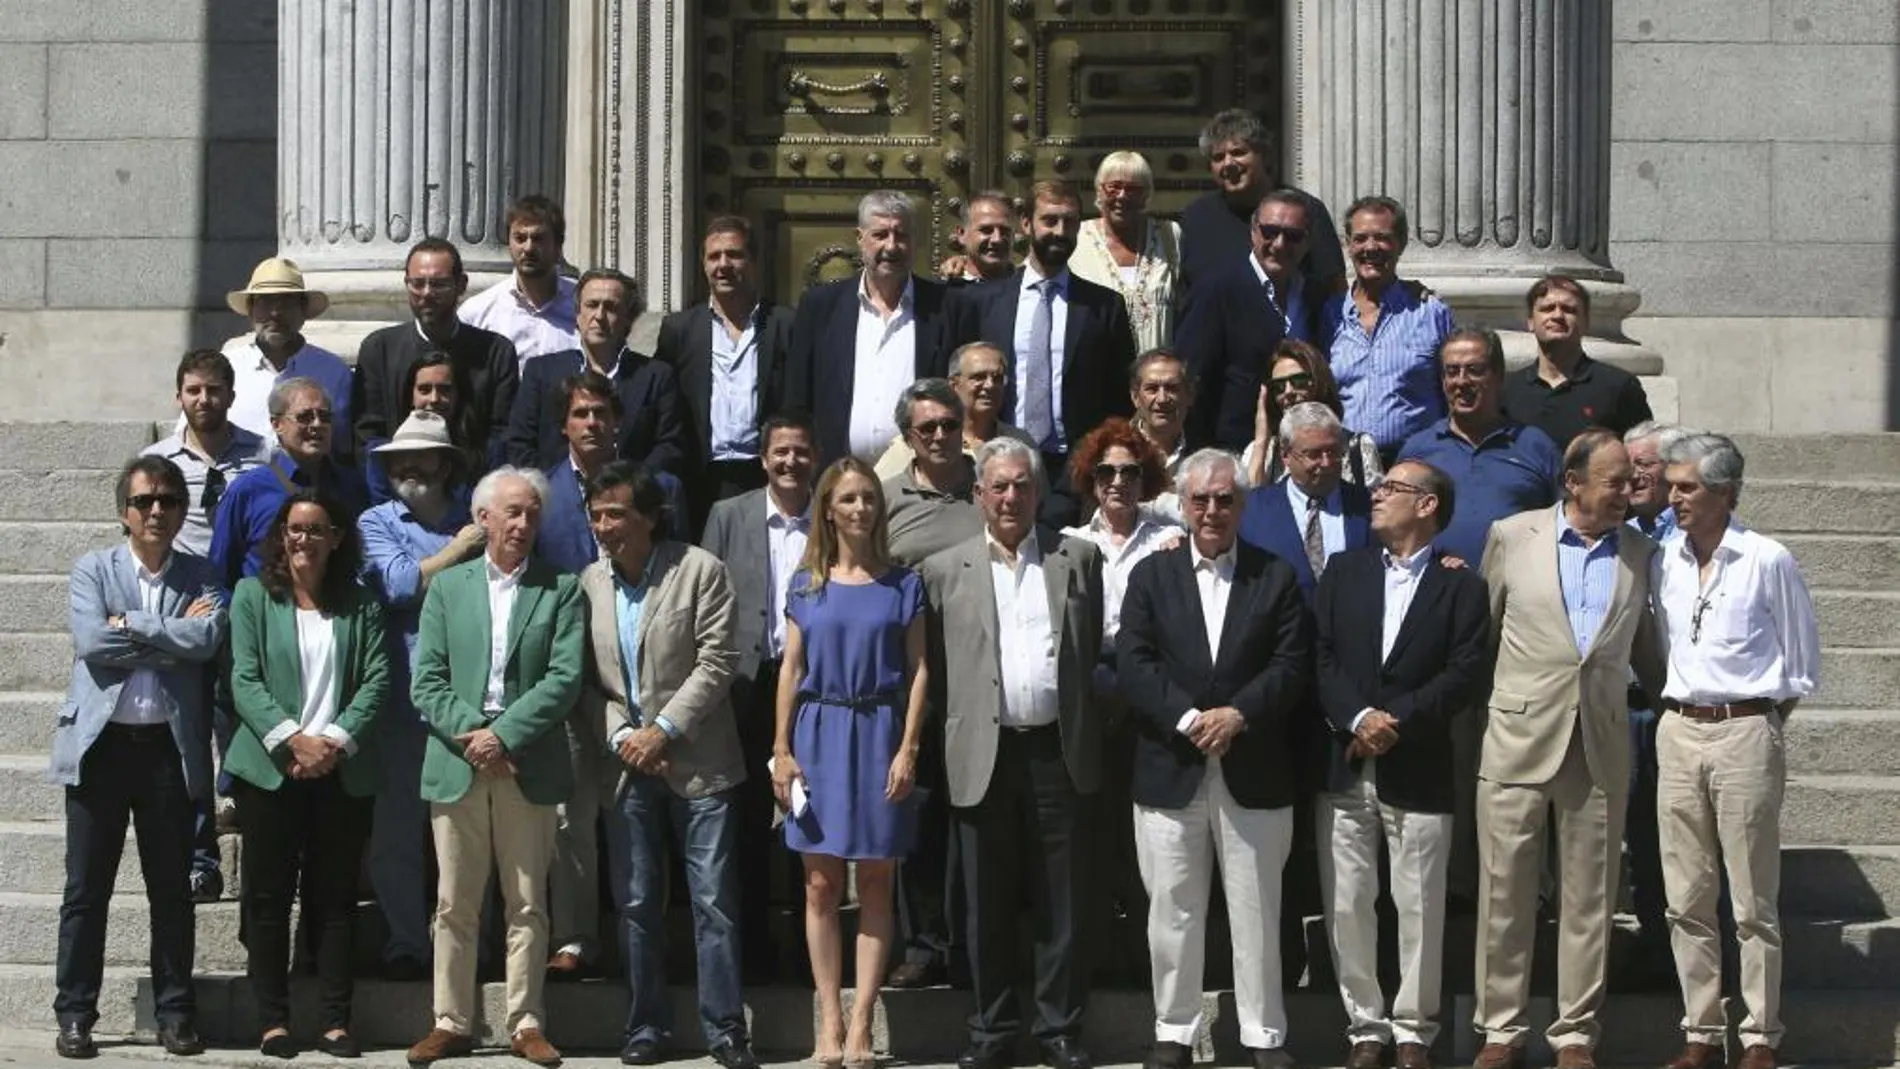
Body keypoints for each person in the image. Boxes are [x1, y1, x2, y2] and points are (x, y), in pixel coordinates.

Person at [1472, 430, 1666, 1069]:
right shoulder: (1512, 536)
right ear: (1574, 482)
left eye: (1631, 481)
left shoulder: (1642, 552)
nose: (1627, 491)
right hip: (1519, 738)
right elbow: (1486, 633)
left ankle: (1575, 1032)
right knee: (1506, 892)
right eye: (1615, 481)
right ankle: (1501, 1029)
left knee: (1591, 897)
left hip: (1599, 741)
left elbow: (1652, 657)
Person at [1116, 448, 1311, 1069]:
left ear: (1243, 505)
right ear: (1182, 503)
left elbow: (1291, 665)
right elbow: (1134, 664)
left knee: (1257, 911)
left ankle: (1262, 1036)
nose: (1212, 510)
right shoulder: (1151, 575)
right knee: (1171, 910)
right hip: (1170, 767)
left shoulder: (1274, 576)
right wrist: (1188, 719)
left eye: (1225, 499)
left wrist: (1238, 715)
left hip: (1253, 767)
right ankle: (1173, 1032)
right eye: (1200, 499)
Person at [920, 437, 1104, 1069]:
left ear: (1038, 492)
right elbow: (937, 672)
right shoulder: (944, 570)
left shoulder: (1077, 558)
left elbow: (1089, 657)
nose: (1009, 497)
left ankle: (1059, 1030)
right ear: (978, 495)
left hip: (1058, 750)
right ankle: (991, 1032)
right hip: (983, 753)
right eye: (997, 486)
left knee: (1063, 902)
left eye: (1021, 485)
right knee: (986, 904)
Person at [580, 461, 759, 1069]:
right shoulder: (588, 584)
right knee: (635, 904)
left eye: (617, 515)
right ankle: (646, 1028)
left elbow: (718, 662)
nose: (605, 527)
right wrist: (627, 736)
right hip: (627, 765)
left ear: (650, 517)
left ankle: (725, 1030)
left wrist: (663, 730)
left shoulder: (699, 570)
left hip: (700, 764)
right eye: (597, 515)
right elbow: (589, 684)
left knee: (713, 903)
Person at [1313, 460, 1491, 1069]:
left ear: (1427, 506)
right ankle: (1366, 1025)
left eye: (1392, 488)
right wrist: (1359, 717)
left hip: (1418, 766)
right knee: (1348, 901)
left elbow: (1464, 674)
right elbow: (1323, 655)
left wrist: (1399, 721)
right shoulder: (1344, 571)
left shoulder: (1462, 585)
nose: (1377, 494)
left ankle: (1415, 1029)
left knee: (1418, 903)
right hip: (1346, 763)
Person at [405, 466, 583, 1068]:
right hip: (459, 760)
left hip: (525, 760)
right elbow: (425, 680)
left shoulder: (562, 589)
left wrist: (503, 736)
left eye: (532, 513)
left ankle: (525, 1022)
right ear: (483, 519)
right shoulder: (448, 588)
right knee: (454, 901)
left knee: (527, 901)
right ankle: (451, 1021)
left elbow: (564, 679)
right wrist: (473, 739)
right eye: (512, 512)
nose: (524, 523)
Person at [1651, 434, 1820, 1069]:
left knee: (1752, 897)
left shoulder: (1767, 559)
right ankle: (1699, 1031)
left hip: (1746, 727)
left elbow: (1800, 664)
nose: (1674, 498)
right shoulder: (1663, 557)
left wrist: (1758, 721)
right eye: (1671, 485)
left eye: (1687, 487)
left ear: (1723, 492)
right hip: (1678, 727)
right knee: (1685, 894)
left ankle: (1759, 1035)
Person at [48, 456, 223, 1061]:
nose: (157, 511)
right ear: (124, 510)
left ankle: (176, 1014)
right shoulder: (92, 569)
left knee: (171, 892)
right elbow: (93, 641)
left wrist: (135, 625)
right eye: (145, 501)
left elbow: (208, 641)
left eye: (170, 501)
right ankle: (74, 1014)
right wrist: (168, 632)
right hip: (102, 750)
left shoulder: (203, 575)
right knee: (85, 891)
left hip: (168, 754)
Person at [772, 457, 929, 1069]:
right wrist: (782, 750)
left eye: (868, 498)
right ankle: (828, 1021)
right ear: (828, 511)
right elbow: (791, 669)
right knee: (819, 884)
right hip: (819, 732)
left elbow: (919, 671)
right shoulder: (805, 585)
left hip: (881, 731)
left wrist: (909, 747)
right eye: (848, 500)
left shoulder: (903, 585)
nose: (861, 508)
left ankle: (863, 1019)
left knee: (875, 881)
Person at [225, 492, 389, 1059]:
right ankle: (273, 1022)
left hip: (340, 771)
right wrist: (294, 738)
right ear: (280, 537)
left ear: (336, 539)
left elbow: (377, 680)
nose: (303, 539)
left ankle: (335, 1022)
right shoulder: (252, 597)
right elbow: (244, 680)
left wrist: (333, 743)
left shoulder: (361, 603)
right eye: (294, 529)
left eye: (317, 529)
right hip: (271, 770)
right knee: (267, 900)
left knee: (335, 900)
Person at [357, 411, 484, 980]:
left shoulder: (475, 517)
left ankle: (466, 950)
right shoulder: (377, 521)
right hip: (403, 700)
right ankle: (409, 943)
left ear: (447, 463)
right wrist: (460, 550)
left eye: (422, 456)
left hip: (473, 700)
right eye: (397, 459)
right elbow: (400, 585)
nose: (408, 466)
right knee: (398, 833)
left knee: (467, 835)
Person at [1060, 418, 1182, 985]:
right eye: (1106, 471)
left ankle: (1143, 956)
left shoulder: (1167, 538)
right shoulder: (1070, 544)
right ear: (1090, 478)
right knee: (1095, 826)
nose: (1117, 482)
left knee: (1147, 830)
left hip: (1150, 687)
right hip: (1089, 686)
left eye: (1130, 472)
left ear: (1146, 478)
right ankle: (1100, 952)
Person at [700, 412, 819, 983]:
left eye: (800, 451)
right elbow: (704, 592)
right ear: (763, 458)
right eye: (780, 452)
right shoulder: (729, 515)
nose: (790, 461)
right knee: (745, 817)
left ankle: (805, 944)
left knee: (807, 814)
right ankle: (750, 948)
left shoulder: (831, 515)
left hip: (812, 685)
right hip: (744, 683)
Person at [945, 180, 1137, 526]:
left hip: (1072, 472)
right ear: (1026, 224)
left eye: (1070, 222)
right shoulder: (981, 303)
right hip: (994, 463)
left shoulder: (1104, 307)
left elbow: (1119, 401)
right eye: (1050, 220)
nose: (1060, 231)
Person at [783, 191, 952, 464]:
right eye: (881, 235)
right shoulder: (821, 307)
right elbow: (797, 397)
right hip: (838, 477)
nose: (892, 246)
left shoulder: (945, 306)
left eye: (901, 235)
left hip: (918, 481)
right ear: (860, 239)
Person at [654, 215, 797, 531]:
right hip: (700, 479)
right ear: (703, 264)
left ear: (754, 261)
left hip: (765, 476)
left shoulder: (786, 325)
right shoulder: (679, 330)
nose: (724, 264)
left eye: (734, 254)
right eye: (714, 256)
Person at [1619, 419, 1692, 985]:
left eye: (1645, 464)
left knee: (1682, 835)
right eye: (1629, 464)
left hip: (1676, 705)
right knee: (1639, 830)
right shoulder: (1617, 529)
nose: (1633, 475)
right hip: (1623, 702)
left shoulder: (1694, 534)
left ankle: (1692, 957)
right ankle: (1649, 946)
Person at [1396, 329, 1563, 568]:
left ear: (1498, 376)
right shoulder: (1418, 451)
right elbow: (1394, 525)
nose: (1462, 381)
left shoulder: (1536, 446)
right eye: (1452, 371)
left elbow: (1566, 523)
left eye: (1475, 370)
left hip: (1514, 593)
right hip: (1436, 593)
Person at [1175, 189, 1326, 450]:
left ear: (1307, 241)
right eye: (1270, 232)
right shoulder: (1216, 290)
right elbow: (1192, 378)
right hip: (1234, 450)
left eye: (1292, 236)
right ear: (1253, 231)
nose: (1279, 244)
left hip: (1303, 450)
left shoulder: (1314, 295)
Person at [352, 237, 519, 471]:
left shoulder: (496, 352)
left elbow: (502, 435)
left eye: (439, 284)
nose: (427, 293)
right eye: (417, 283)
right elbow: (368, 435)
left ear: (461, 285)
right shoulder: (379, 349)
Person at [505, 267, 688, 478]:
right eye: (591, 305)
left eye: (610, 307)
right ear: (577, 314)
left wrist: (629, 488)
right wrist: (555, 489)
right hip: (557, 502)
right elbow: (519, 444)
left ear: (629, 318)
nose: (599, 316)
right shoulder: (541, 372)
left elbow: (670, 446)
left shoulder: (656, 376)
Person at [1328, 196, 1455, 465]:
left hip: (1417, 463)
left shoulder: (1430, 312)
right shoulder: (1329, 315)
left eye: (1382, 238)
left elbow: (1453, 391)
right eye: (1360, 238)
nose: (1370, 248)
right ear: (1348, 245)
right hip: (1345, 468)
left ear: (1401, 244)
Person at [209, 379, 368, 592]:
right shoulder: (248, 491)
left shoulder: (351, 485)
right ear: (277, 425)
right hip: (268, 617)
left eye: (325, 416)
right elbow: (219, 574)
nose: (317, 424)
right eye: (305, 417)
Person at [1177, 109, 1345, 298]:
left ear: (1264, 155)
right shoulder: (1197, 216)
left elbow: (1334, 286)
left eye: (1238, 152)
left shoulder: (1305, 209)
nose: (1228, 164)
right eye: (1218, 158)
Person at [218, 257, 354, 458]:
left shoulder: (334, 372)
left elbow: (346, 447)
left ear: (303, 310)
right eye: (265, 302)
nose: (275, 313)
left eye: (286, 302)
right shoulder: (226, 367)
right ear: (250, 310)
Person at [143, 349, 273, 558]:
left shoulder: (265, 454)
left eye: (213, 390)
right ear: (179, 398)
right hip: (183, 582)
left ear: (231, 397)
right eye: (193, 390)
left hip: (246, 579)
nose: (203, 399)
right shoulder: (155, 461)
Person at [1239, 402, 1373, 599]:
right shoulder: (1251, 510)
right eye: (1314, 454)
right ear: (1285, 455)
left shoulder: (1368, 507)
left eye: (1333, 451)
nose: (1326, 463)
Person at [1501, 275, 1653, 448]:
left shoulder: (1619, 387)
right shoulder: (1507, 390)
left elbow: (1643, 454)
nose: (1557, 315)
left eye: (1569, 309)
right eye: (1547, 308)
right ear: (1530, 322)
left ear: (1586, 321)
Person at [1067, 151, 1183, 351]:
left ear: (1146, 194)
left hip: (1156, 375)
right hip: (1097, 372)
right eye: (1113, 188)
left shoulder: (1169, 235)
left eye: (1133, 189)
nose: (1122, 196)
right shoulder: (1077, 238)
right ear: (1099, 191)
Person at [874, 342, 1033, 480]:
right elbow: (878, 496)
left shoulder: (1020, 443)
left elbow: (1040, 505)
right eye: (979, 377)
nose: (990, 385)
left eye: (997, 378)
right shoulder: (919, 441)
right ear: (953, 385)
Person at [1241, 339, 1382, 488]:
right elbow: (1249, 507)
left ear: (1319, 383)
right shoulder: (1264, 452)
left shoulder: (1358, 449)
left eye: (1299, 381)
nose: (1288, 392)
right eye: (1279, 386)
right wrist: (1261, 441)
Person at [457, 194, 581, 363]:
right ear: (509, 243)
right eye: (520, 238)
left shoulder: (584, 306)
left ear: (558, 245)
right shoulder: (477, 313)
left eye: (538, 239)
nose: (528, 248)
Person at [883, 378, 986, 566]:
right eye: (927, 428)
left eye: (949, 425)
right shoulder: (884, 499)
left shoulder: (993, 487)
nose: (940, 436)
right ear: (907, 439)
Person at [1128, 348, 1195, 483]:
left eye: (1172, 388)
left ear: (1190, 395)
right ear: (1135, 397)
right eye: (1152, 389)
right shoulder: (1116, 452)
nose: (1162, 399)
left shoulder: (1205, 455)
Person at [938, 191, 1018, 283]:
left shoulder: (1028, 289)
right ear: (962, 234)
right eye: (986, 230)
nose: (997, 239)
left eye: (1005, 231)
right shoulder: (941, 291)